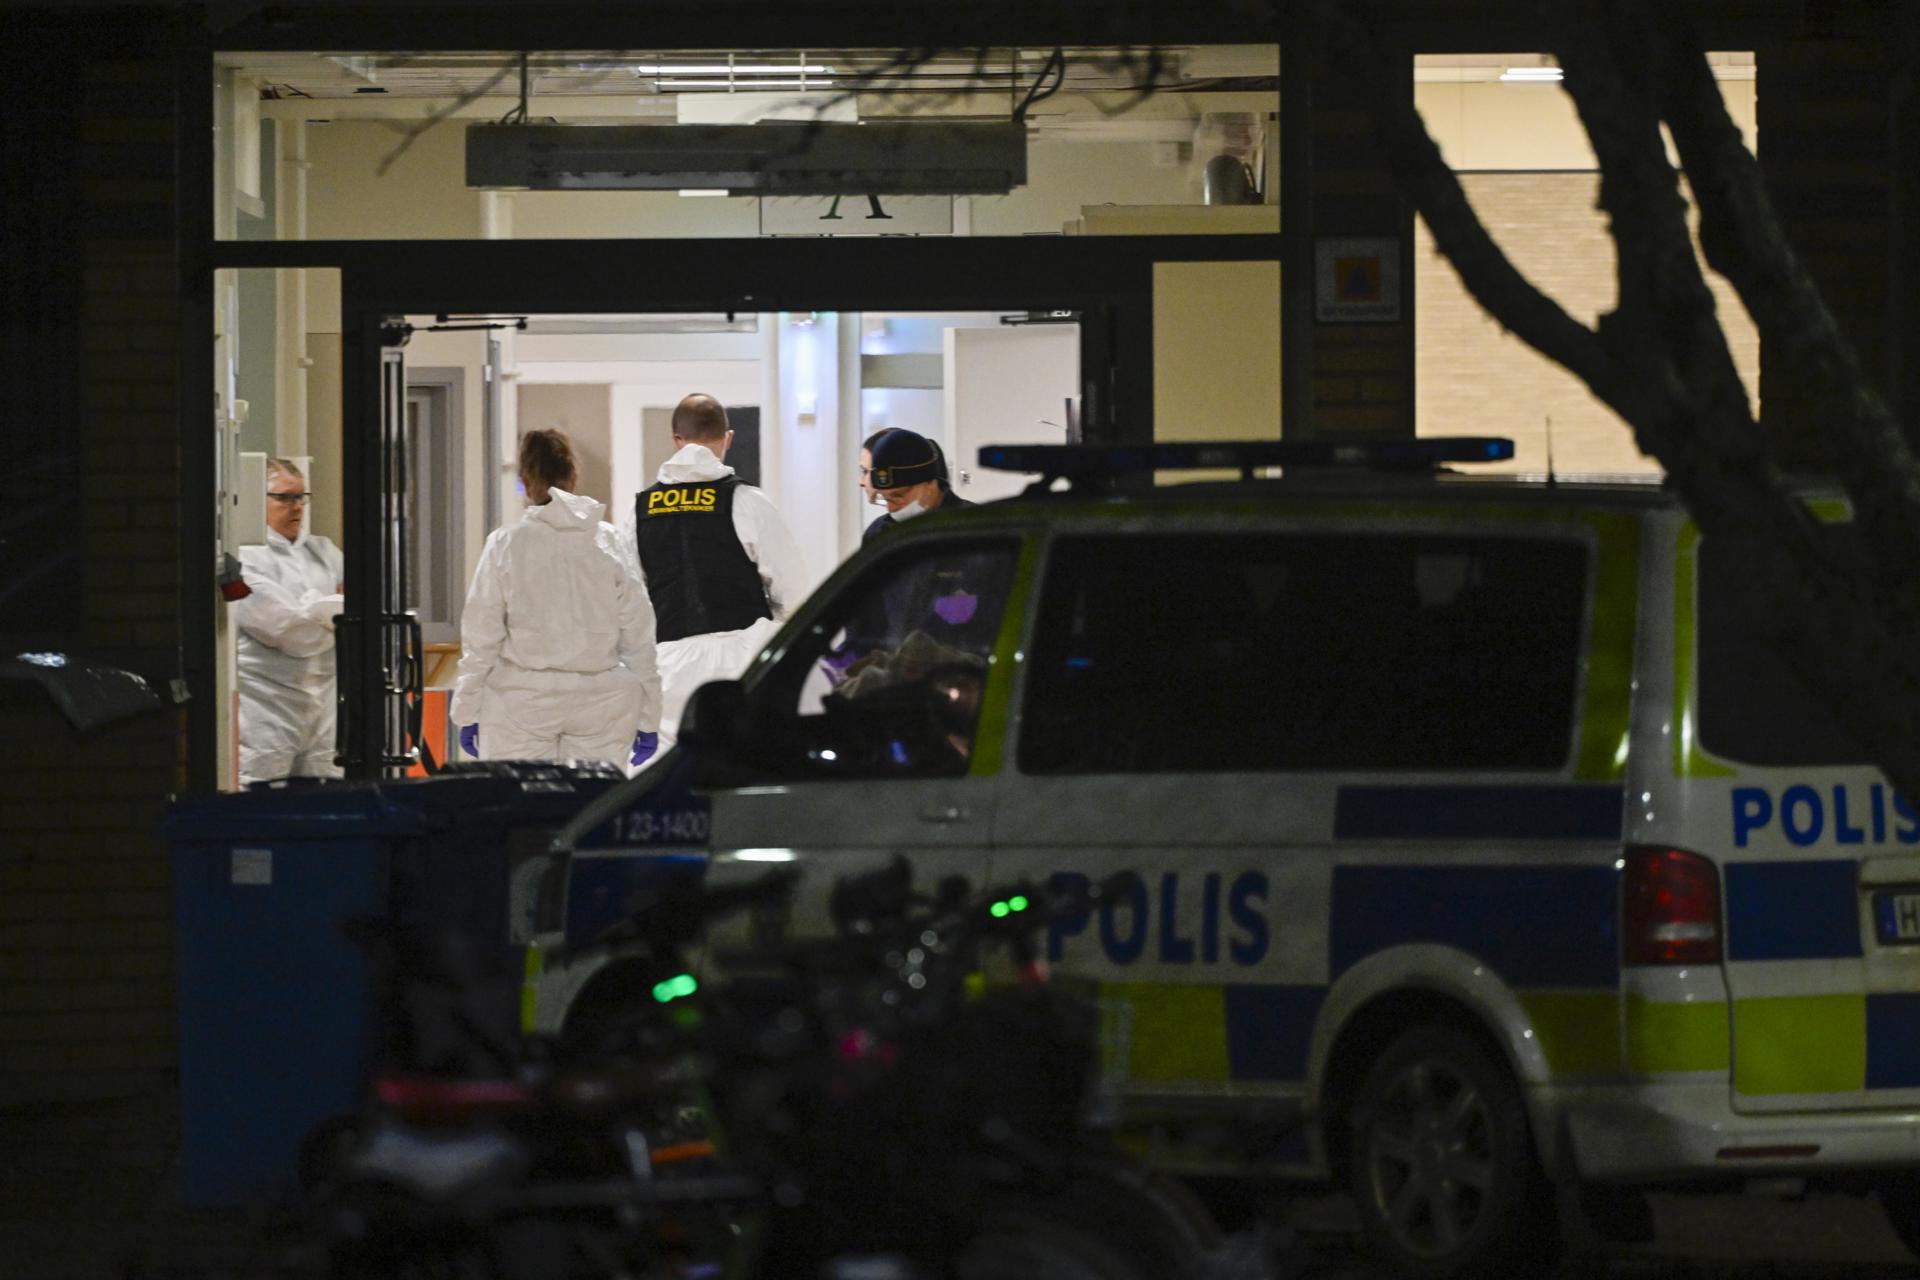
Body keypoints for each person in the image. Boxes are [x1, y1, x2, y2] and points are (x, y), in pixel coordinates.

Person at [452, 428, 662, 769]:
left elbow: (482, 636)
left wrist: (466, 709)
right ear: (573, 476)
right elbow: (639, 634)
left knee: (520, 808)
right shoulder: (608, 543)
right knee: (590, 809)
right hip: (602, 701)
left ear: (524, 481)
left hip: (520, 700)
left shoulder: (507, 544)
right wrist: (650, 715)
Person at [624, 393, 807, 747]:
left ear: (676, 440)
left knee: (671, 776)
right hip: (743, 661)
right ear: (728, 438)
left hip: (668, 665)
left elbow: (630, 597)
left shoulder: (641, 510)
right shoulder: (748, 502)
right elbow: (793, 591)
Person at [233, 458, 346, 786]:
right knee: (263, 811)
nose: (296, 507)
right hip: (266, 710)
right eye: (284, 498)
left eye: (301, 497)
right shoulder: (245, 556)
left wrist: (316, 612)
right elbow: (292, 633)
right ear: (257, 500)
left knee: (325, 810)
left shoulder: (323, 552)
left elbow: (364, 608)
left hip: (323, 707)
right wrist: (332, 616)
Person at [861, 427, 971, 544]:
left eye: (898, 495)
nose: (891, 509)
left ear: (930, 483)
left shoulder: (974, 526)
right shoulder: (878, 532)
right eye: (886, 498)